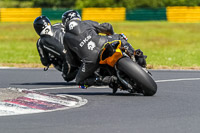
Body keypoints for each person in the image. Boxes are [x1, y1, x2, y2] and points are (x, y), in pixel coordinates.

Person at [61, 10, 146, 87]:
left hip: (90, 60)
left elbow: (71, 60)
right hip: (104, 42)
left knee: (79, 81)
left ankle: (111, 80)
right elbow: (107, 27)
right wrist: (110, 34)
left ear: (65, 23)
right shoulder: (86, 23)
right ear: (78, 17)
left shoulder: (65, 38)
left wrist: (80, 62)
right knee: (120, 36)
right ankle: (136, 55)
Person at [33, 15, 79, 82]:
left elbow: (45, 62)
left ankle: (79, 72)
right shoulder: (59, 25)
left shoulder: (40, 42)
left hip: (67, 58)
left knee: (66, 77)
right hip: (77, 47)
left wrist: (51, 59)